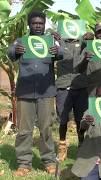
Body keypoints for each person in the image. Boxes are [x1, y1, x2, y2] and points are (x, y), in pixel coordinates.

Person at [7, 11, 63, 176]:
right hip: (25, 92)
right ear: (29, 25)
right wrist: (15, 50)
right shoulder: (21, 41)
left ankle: (49, 161)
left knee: (46, 128)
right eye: (34, 23)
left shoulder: (50, 41)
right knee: (25, 129)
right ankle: (24, 163)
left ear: (44, 24)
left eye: (40, 23)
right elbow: (10, 53)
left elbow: (62, 54)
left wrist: (57, 51)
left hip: (46, 91)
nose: (37, 26)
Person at [51, 31, 93, 162]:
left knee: (81, 119)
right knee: (63, 118)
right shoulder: (58, 42)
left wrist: (91, 37)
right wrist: (52, 36)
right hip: (63, 86)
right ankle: (62, 146)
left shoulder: (84, 42)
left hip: (81, 86)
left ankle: (81, 145)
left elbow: (96, 47)